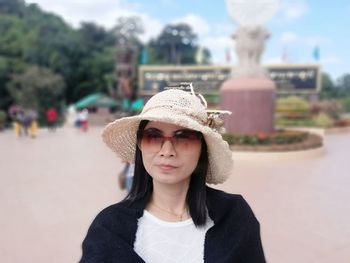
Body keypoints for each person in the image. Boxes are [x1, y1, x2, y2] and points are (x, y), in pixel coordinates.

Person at [80, 85, 266, 262]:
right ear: (140, 144)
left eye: (183, 136)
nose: (167, 151)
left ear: (203, 147)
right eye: (153, 136)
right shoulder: (107, 228)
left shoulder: (234, 218)